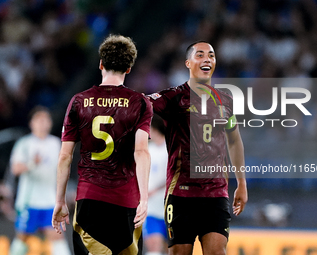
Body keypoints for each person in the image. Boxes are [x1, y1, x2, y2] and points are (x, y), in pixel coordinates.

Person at [52, 34, 153, 255]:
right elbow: (141, 152)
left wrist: (60, 200)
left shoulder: (79, 101)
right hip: (127, 200)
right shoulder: (140, 103)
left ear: (100, 64)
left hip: (89, 199)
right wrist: (144, 199)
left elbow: (65, 156)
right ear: (128, 69)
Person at [149, 41, 248, 255]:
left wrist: (241, 182)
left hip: (216, 193)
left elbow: (234, 140)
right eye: (200, 54)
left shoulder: (225, 100)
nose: (207, 59)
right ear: (188, 63)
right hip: (181, 194)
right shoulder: (173, 98)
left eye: (211, 55)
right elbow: (139, 105)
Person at [9, 106, 71, 255]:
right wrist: (32, 163)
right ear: (32, 123)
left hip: (50, 200)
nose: (43, 122)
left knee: (57, 237)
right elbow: (15, 169)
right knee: (22, 239)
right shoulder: (24, 144)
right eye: (39, 119)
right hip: (29, 201)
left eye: (46, 119)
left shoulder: (57, 144)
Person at [144, 115, 168, 255]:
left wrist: (156, 189)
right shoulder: (148, 150)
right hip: (151, 208)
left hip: (169, 207)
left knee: (171, 249)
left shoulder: (171, 149)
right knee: (154, 246)